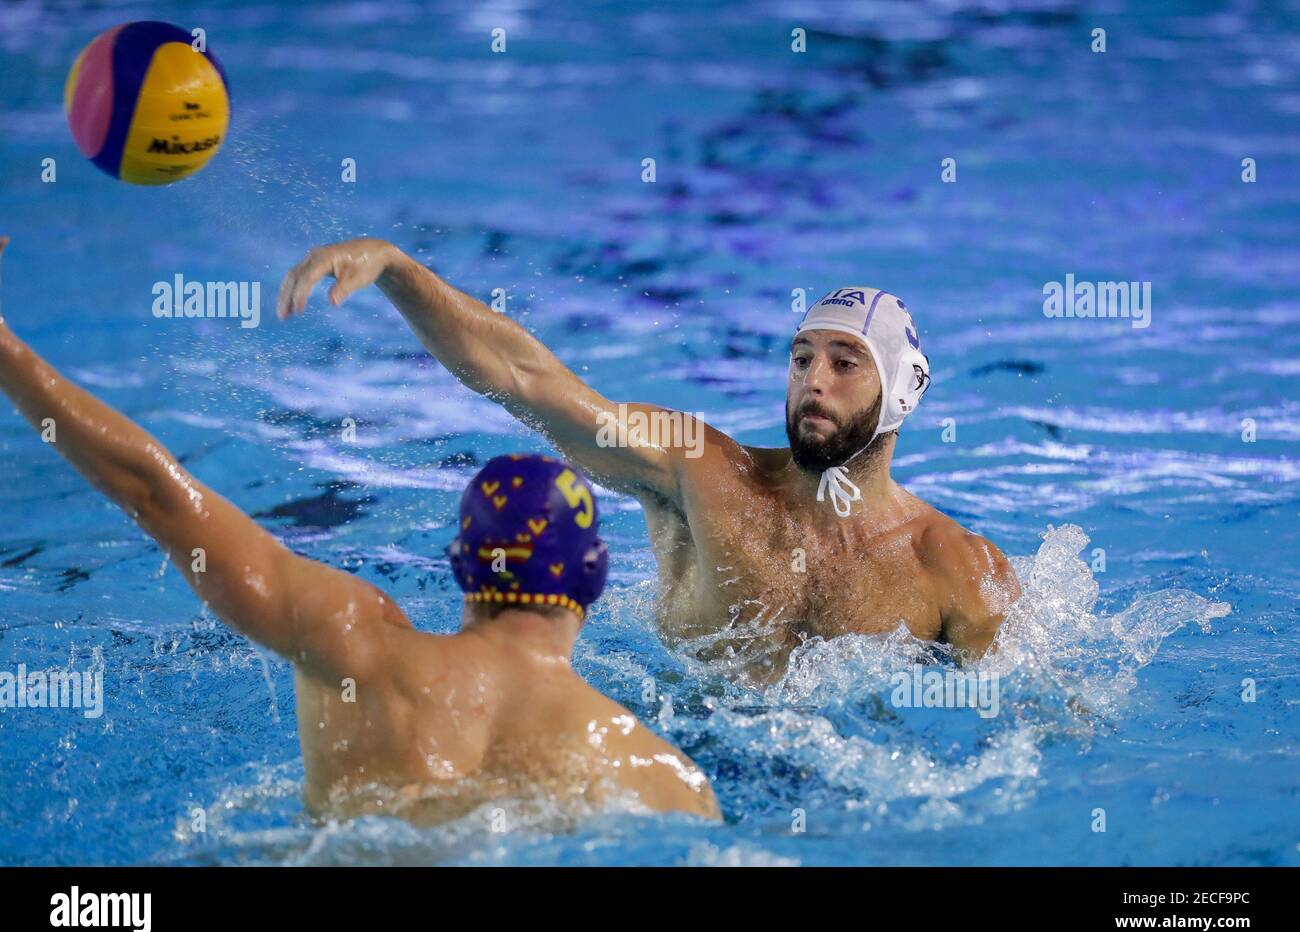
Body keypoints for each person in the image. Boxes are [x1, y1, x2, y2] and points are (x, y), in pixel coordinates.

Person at [0, 237, 718, 824]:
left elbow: (156, 493)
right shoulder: (660, 778)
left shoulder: (353, 644)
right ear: (592, 575)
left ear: (460, 564)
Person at [277, 240, 1022, 680]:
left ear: (900, 395)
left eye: (844, 362)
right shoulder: (700, 469)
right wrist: (402, 272)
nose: (812, 381)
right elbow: (529, 380)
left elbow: (1026, 730)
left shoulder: (954, 568)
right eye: (801, 358)